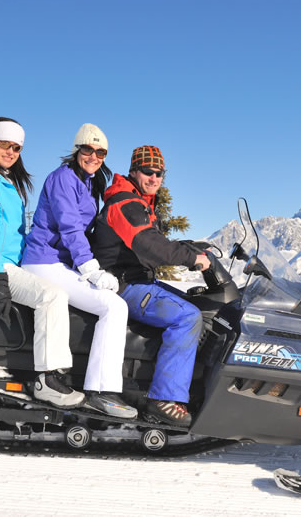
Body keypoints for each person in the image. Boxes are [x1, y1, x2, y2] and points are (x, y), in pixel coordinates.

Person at [0, 117, 84, 409]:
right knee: (51, 296)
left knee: (60, 288)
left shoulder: (6, 181)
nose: (11, 152)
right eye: (5, 144)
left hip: (8, 263)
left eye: (17, 147)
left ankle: (58, 368)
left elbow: (14, 234)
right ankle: (48, 380)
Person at [21, 123, 137, 419]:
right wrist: (91, 270)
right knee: (113, 306)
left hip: (60, 263)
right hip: (43, 262)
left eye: (101, 152)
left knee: (112, 303)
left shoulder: (87, 182)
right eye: (88, 149)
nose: (94, 156)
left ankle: (100, 386)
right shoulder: (63, 178)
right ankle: (101, 391)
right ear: (76, 149)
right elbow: (71, 228)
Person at [93, 145, 210, 427]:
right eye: (148, 171)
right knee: (187, 317)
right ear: (134, 171)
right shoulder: (126, 203)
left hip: (135, 279)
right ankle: (163, 400)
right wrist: (191, 258)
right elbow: (148, 244)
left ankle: (189, 384)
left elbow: (151, 242)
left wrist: (191, 248)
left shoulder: (139, 201)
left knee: (199, 306)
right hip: (121, 284)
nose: (154, 178)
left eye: (159, 173)